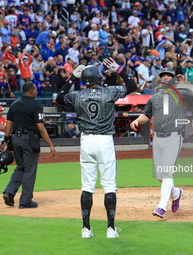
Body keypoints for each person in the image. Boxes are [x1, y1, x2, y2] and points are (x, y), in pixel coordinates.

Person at [56, 59, 137, 239]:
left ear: (84, 79)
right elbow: (132, 85)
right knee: (109, 185)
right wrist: (119, 71)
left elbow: (60, 96)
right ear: (99, 79)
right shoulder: (109, 91)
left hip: (86, 141)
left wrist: (72, 78)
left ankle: (86, 229)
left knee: (87, 186)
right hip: (105, 140)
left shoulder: (77, 95)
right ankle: (111, 229)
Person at [130, 67, 191, 219]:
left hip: (174, 137)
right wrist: (138, 120)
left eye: (168, 76)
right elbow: (146, 114)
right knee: (160, 176)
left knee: (166, 172)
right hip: (157, 138)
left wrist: (185, 84)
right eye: (163, 76)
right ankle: (176, 193)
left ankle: (162, 206)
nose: (165, 78)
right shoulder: (155, 98)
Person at [2, 82, 55, 209]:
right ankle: (25, 201)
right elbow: (40, 127)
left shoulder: (14, 105)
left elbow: (8, 125)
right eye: (36, 90)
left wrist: (7, 143)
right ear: (32, 92)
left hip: (15, 139)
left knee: (21, 167)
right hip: (29, 139)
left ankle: (9, 192)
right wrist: (50, 144)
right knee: (30, 170)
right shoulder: (36, 105)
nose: (37, 92)